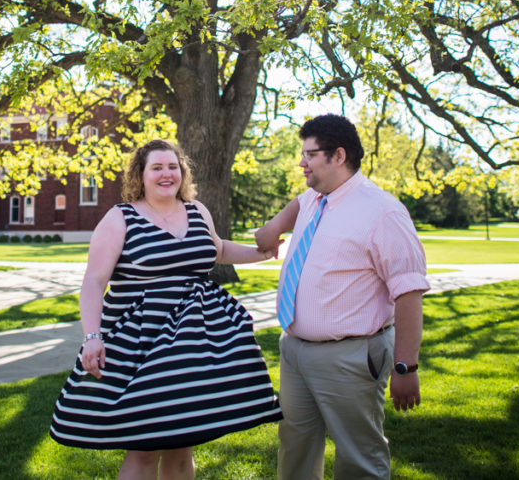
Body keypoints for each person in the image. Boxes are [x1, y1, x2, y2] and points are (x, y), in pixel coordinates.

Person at [50, 139, 282, 479]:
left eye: (172, 166)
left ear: (182, 172)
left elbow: (218, 250)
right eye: (156, 167)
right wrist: (93, 336)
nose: (166, 174)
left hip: (193, 343)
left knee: (181, 442)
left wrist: (263, 252)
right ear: (140, 175)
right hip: (142, 345)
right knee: (144, 446)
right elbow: (93, 282)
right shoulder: (120, 218)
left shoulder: (197, 210)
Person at [255, 114, 429, 479]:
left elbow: (409, 293)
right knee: (295, 447)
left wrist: (406, 367)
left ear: (338, 155)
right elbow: (295, 207)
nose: (301, 162)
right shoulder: (315, 198)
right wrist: (271, 229)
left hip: (350, 357)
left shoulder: (382, 212)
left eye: (309, 154)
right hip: (295, 351)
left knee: (358, 455)